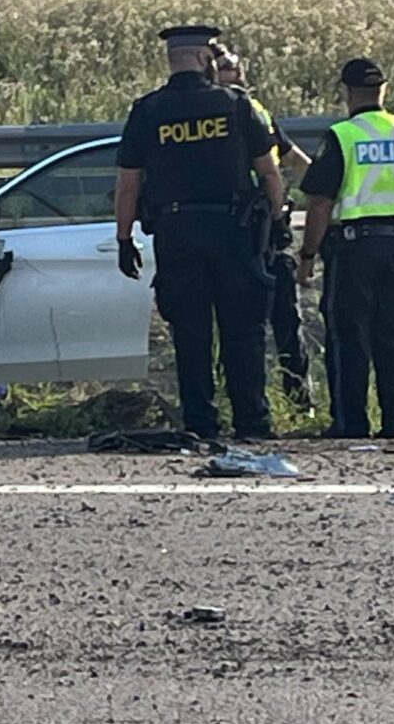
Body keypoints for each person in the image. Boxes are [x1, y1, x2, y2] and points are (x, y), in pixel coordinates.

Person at [114, 25, 285, 441]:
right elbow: (269, 173)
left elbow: (128, 183)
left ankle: (201, 424)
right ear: (205, 59)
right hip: (234, 231)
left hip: (177, 233)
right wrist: (276, 222)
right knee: (242, 331)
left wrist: (124, 240)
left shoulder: (148, 110)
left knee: (190, 333)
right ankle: (252, 423)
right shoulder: (236, 104)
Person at [294, 58, 394, 440]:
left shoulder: (342, 136)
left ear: (345, 92)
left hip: (353, 250)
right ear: (384, 90)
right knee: (393, 336)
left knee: (348, 335)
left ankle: (350, 423)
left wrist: (307, 256)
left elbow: (320, 202)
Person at [210, 41, 313, 408]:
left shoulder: (256, 112)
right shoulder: (215, 115)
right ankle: (239, 400)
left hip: (269, 229)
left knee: (287, 320)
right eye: (223, 68)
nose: (231, 74)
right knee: (237, 325)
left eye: (234, 67)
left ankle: (300, 401)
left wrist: (323, 184)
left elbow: (289, 157)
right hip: (236, 231)